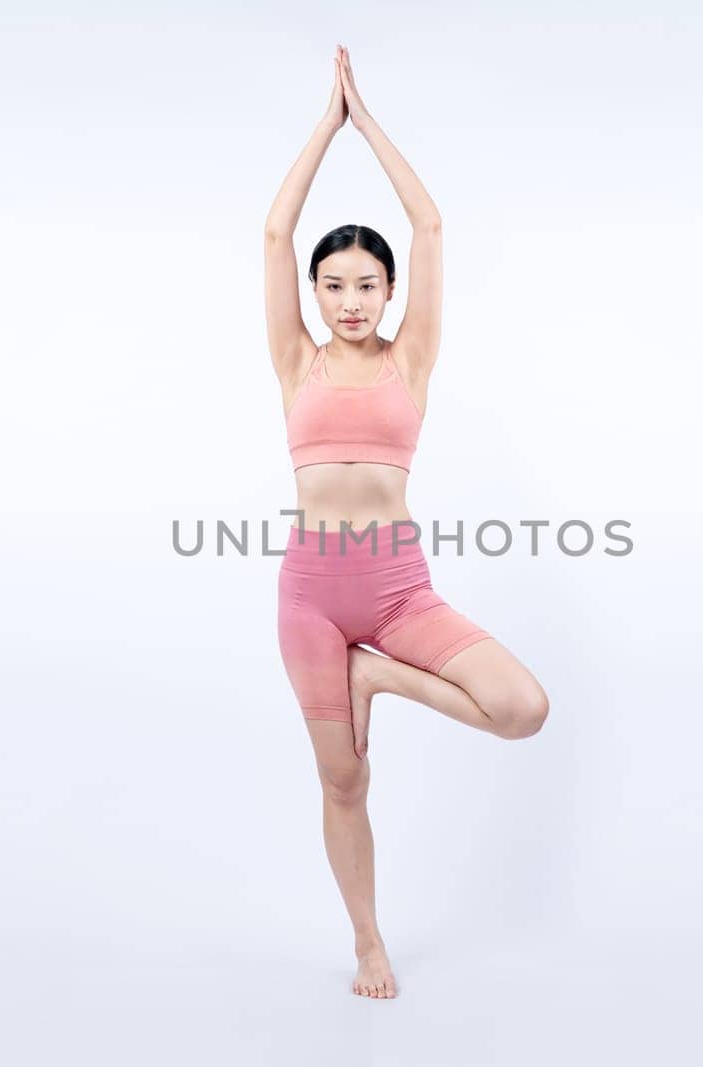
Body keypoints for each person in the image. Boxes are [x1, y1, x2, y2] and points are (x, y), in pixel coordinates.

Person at [264, 45, 550, 1000]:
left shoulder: (411, 359)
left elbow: (427, 223)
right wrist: (322, 127)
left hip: (395, 590)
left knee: (523, 708)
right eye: (333, 286)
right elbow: (274, 233)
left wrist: (366, 121)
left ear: (388, 292)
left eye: (366, 285)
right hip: (311, 594)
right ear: (316, 294)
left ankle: (383, 676)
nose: (350, 301)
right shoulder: (297, 361)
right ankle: (367, 943)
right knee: (344, 783)